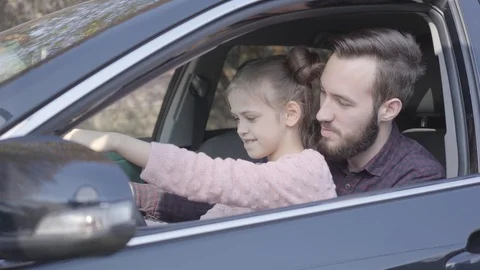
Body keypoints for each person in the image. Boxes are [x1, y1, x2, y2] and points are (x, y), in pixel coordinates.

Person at [63, 47, 337, 221]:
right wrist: (130, 196)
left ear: (291, 114)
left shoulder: (306, 173)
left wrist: (116, 141)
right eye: (236, 118)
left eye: (250, 118)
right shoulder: (269, 174)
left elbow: (209, 177)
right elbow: (211, 215)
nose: (241, 129)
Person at [316, 28, 445, 196]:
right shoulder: (319, 151)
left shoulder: (418, 180)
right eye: (323, 92)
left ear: (389, 110)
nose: (321, 115)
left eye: (342, 102)